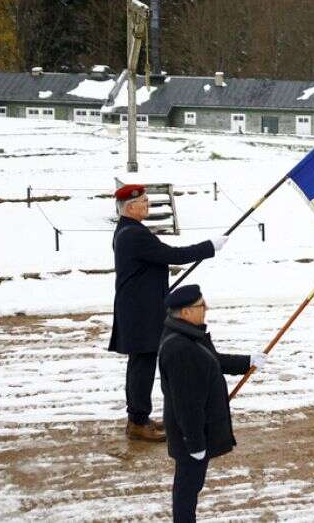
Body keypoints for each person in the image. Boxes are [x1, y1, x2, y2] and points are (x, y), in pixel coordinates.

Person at [110, 184, 227, 441]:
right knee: (142, 366)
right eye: (144, 201)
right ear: (130, 207)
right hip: (141, 312)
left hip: (139, 308)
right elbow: (171, 254)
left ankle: (139, 418)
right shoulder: (133, 234)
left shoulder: (128, 230)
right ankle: (138, 422)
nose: (147, 205)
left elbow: (153, 263)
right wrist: (209, 247)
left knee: (140, 364)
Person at [158, 284, 265, 523]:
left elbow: (212, 361)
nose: (206, 308)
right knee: (187, 489)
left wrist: (247, 362)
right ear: (185, 312)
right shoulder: (180, 349)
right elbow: (187, 405)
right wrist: (195, 443)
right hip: (191, 435)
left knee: (190, 486)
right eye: (200, 305)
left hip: (193, 432)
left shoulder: (188, 335)